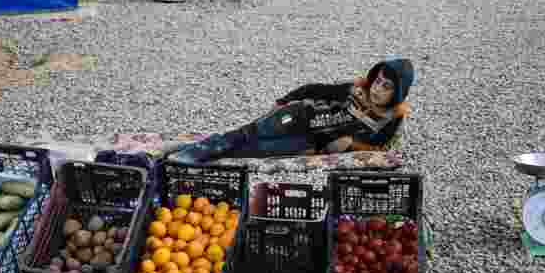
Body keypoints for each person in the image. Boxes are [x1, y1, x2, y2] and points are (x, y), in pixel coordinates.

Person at [167, 58, 414, 165]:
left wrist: (350, 145)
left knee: (257, 149)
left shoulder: (391, 119)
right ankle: (200, 150)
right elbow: (317, 89)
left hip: (310, 143)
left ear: (398, 93)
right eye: (378, 80)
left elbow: (382, 148)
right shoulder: (355, 90)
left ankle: (205, 151)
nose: (378, 89)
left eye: (387, 86)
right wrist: (285, 100)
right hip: (299, 115)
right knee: (251, 132)